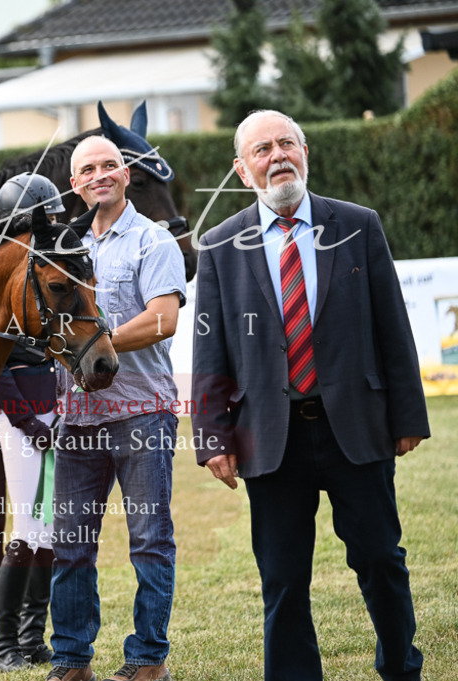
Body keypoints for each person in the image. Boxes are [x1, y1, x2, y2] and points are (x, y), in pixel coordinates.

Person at [191, 110, 428, 681]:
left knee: (380, 561)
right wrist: (211, 437)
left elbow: (392, 327)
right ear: (241, 169)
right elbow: (210, 353)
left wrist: (408, 414)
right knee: (283, 578)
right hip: (270, 436)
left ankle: (401, 667)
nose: (277, 157)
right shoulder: (220, 245)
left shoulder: (359, 225)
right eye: (262, 150)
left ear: (304, 150)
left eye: (286, 144)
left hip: (357, 426)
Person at [47, 136, 185, 681]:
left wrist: (93, 342)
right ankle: (71, 661)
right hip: (76, 418)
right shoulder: (62, 247)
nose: (99, 174)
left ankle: (148, 660)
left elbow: (163, 319)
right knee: (71, 547)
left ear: (127, 176)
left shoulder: (153, 240)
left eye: (110, 165)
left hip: (142, 413)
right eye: (88, 169)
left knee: (149, 541)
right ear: (74, 183)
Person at [0, 172, 65, 672]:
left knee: (49, 530)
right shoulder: (4, 277)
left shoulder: (44, 269)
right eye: (45, 218)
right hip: (19, 420)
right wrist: (26, 420)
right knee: (26, 525)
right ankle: (3, 645)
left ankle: (34, 636)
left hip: (52, 411)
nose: (54, 225)